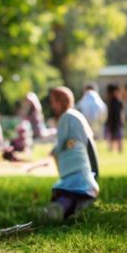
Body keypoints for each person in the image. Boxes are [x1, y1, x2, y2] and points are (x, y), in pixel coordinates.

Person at [43, 87, 99, 222]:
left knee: (67, 192)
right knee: (77, 198)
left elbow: (62, 143)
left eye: (53, 101)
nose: (52, 105)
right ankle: (68, 212)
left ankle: (58, 211)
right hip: (89, 176)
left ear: (60, 101)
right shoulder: (76, 115)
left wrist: (55, 151)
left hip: (76, 172)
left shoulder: (66, 118)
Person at [104, 84, 124, 153]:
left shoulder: (114, 101)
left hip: (115, 122)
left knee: (116, 136)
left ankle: (116, 149)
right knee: (115, 136)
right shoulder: (115, 101)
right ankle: (114, 149)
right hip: (115, 122)